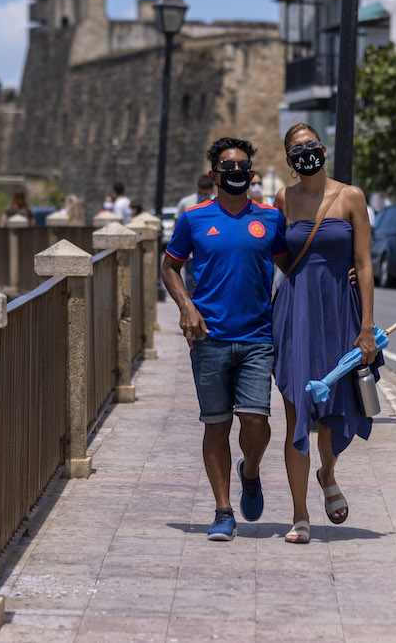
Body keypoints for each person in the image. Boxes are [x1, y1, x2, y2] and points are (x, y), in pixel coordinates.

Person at [161, 138, 289, 541]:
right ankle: (222, 510)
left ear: (251, 174)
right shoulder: (194, 218)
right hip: (209, 338)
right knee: (216, 425)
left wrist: (343, 275)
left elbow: (294, 268)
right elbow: (169, 268)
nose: (236, 173)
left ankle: (250, 472)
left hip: (257, 337)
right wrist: (186, 307)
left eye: (242, 167)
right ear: (214, 173)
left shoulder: (270, 218)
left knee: (256, 421)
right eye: (227, 167)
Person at [271, 122, 380, 545]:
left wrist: (367, 324)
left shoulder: (351, 196)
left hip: (340, 311)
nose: (306, 152)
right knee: (297, 411)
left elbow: (365, 262)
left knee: (333, 409)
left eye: (311, 145)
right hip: (296, 313)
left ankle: (327, 474)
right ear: (288, 159)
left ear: (323, 149)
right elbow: (280, 255)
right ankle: (299, 515)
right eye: (297, 148)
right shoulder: (284, 198)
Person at [174, 175, 215, 295]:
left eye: (206, 194)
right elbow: (177, 226)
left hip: (211, 252)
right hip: (191, 255)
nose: (203, 196)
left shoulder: (216, 203)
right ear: (196, 188)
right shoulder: (186, 203)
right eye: (201, 193)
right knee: (190, 287)